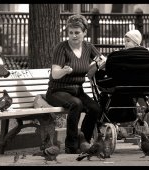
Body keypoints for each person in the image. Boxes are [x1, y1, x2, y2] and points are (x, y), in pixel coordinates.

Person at [45, 14, 106, 154]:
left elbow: (102, 60)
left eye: (77, 32)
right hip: (57, 91)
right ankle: (71, 145)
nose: (73, 36)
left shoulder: (88, 47)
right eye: (70, 32)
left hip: (77, 90)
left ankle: (83, 139)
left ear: (84, 32)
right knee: (76, 104)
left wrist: (97, 66)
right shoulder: (61, 48)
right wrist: (64, 71)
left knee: (95, 108)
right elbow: (54, 74)